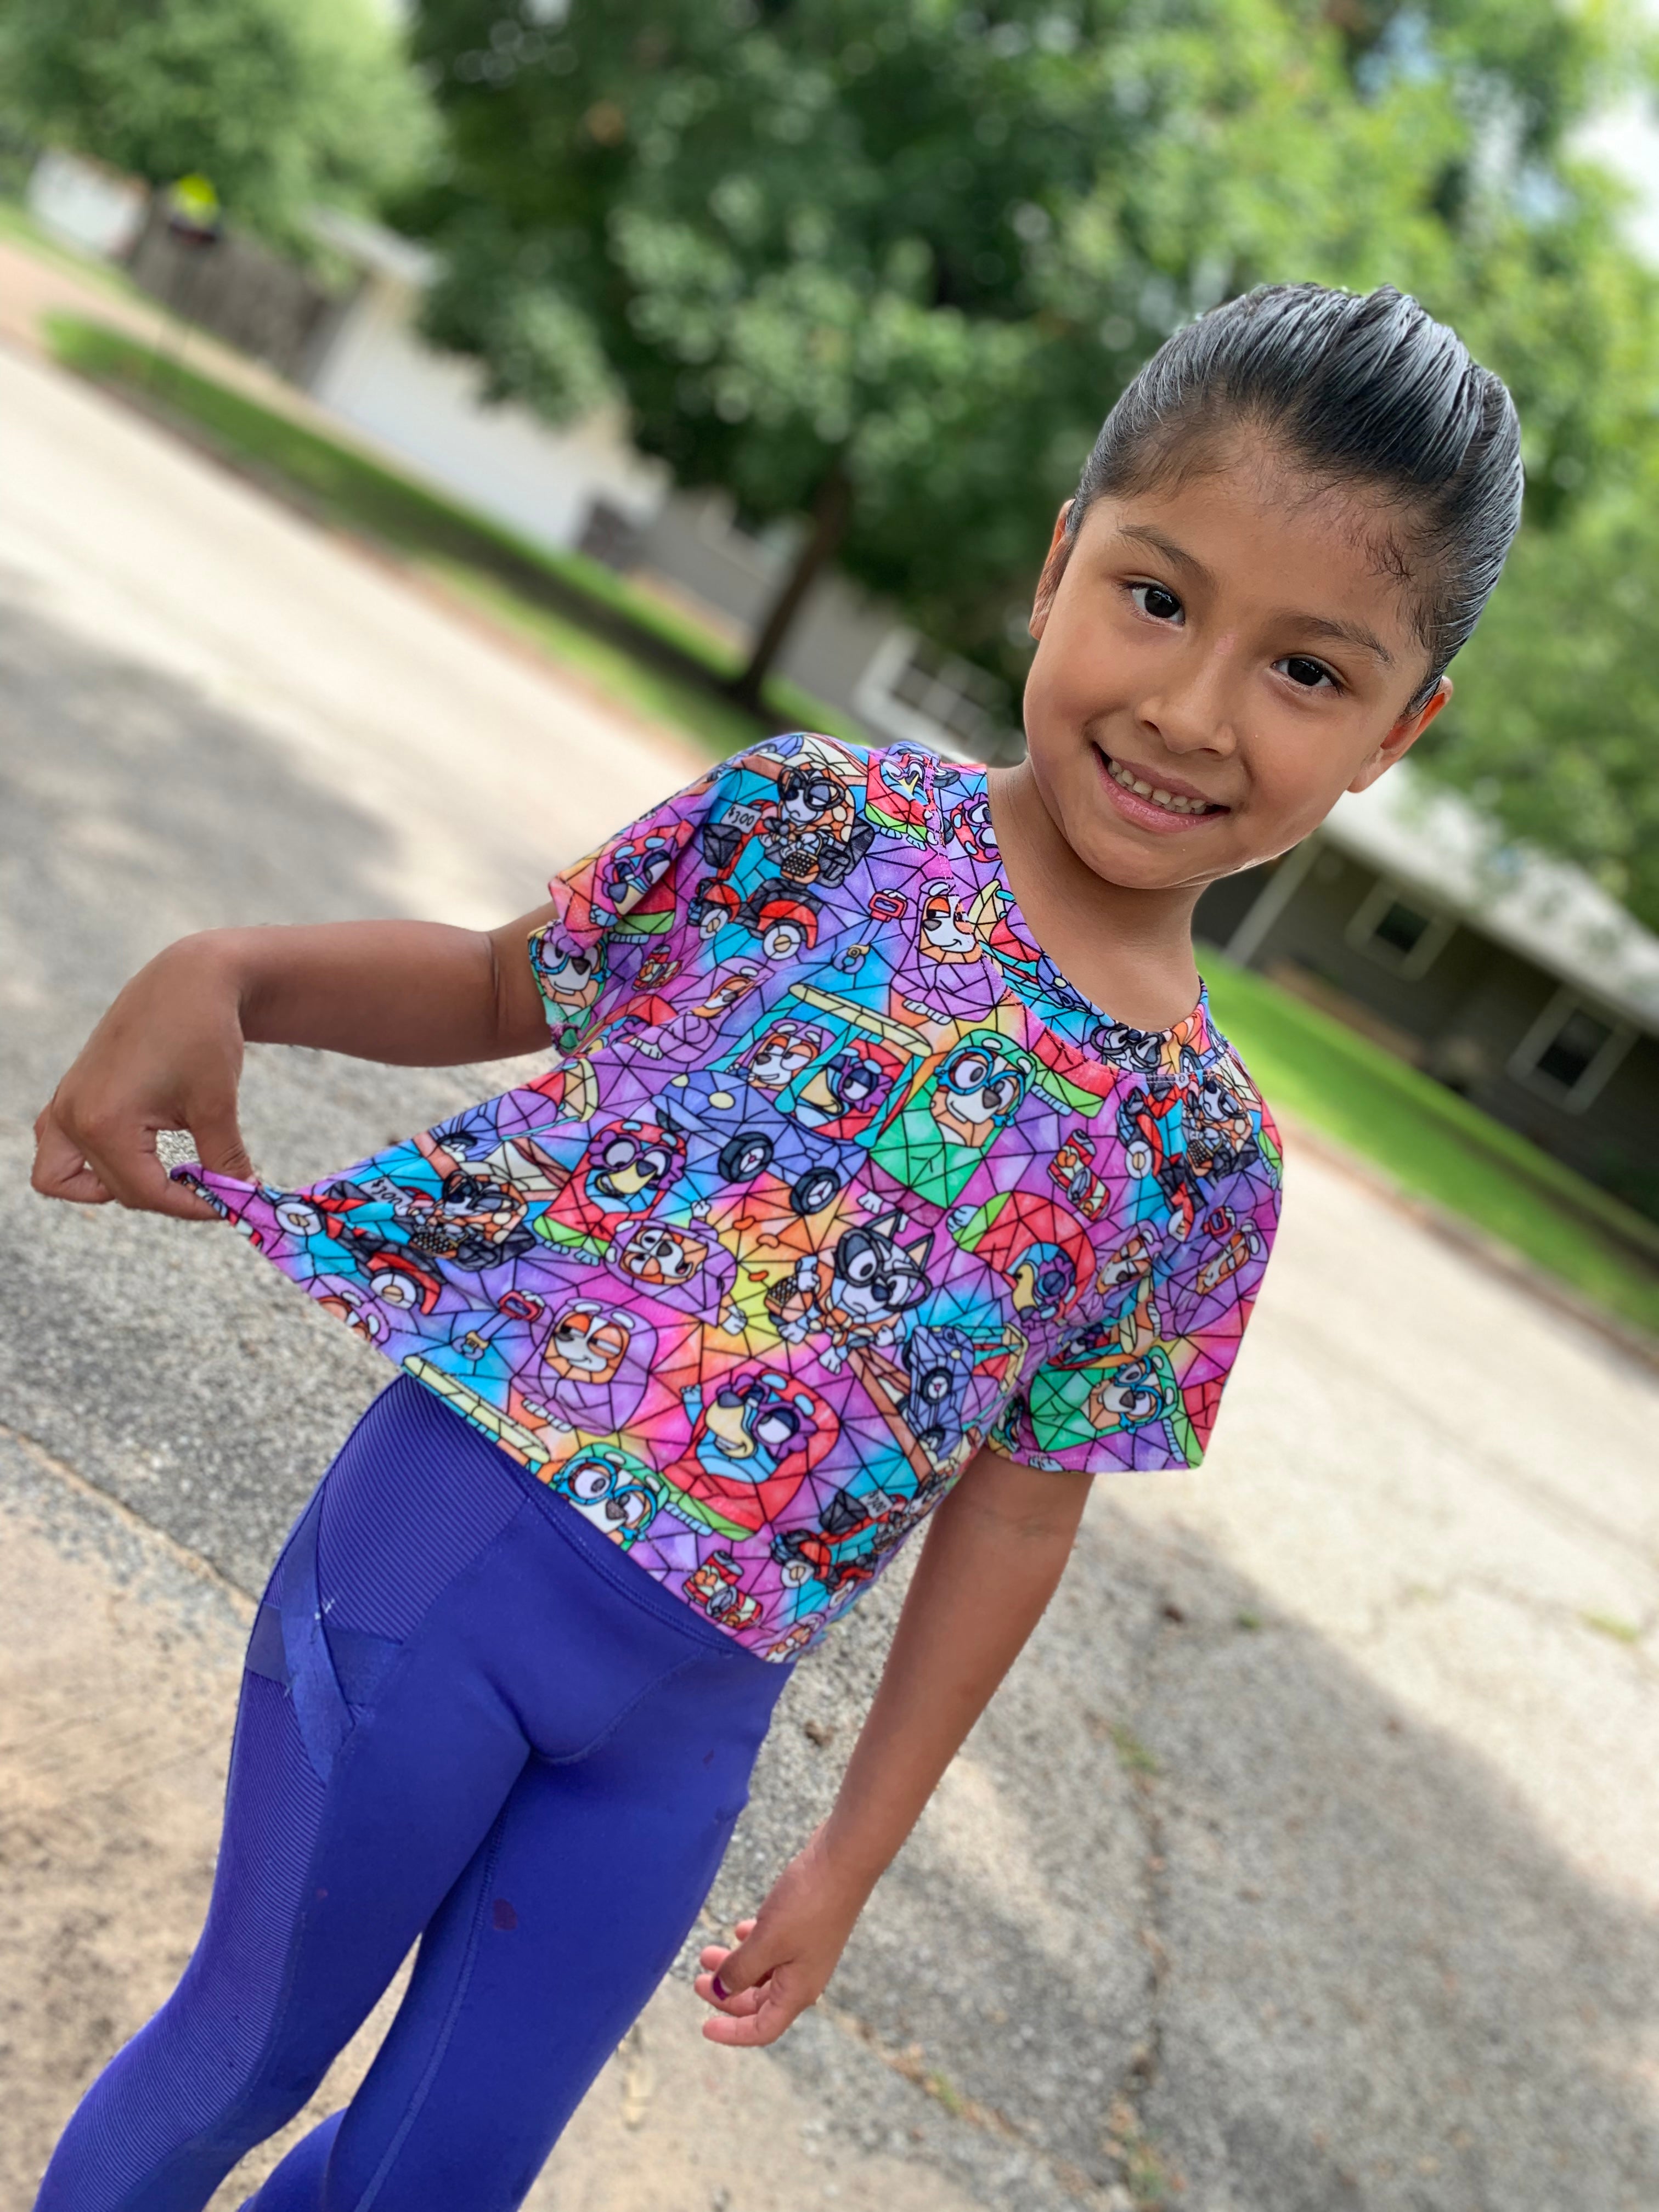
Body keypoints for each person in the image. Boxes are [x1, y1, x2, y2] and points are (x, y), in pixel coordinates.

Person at [27, 281, 1522, 2212]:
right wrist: (229, 972)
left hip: (684, 1733)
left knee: (439, 2181)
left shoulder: (1206, 1165)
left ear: (1401, 730)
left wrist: (855, 1847)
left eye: (1309, 672)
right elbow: (512, 977)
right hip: (441, 1573)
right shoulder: (823, 826)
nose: (1193, 709)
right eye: (1157, 597)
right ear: (1062, 562)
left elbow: (1021, 1505)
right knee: (245, 2057)